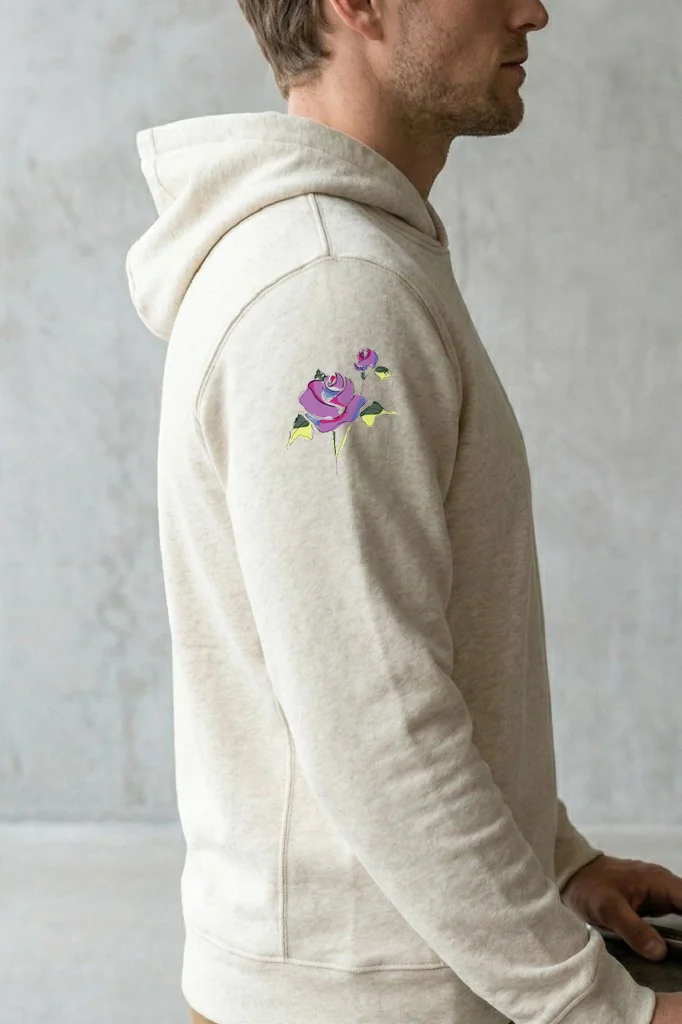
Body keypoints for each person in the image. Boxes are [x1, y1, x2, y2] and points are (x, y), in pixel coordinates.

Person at [125, 0, 682, 1022]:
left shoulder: (352, 260)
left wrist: (554, 860)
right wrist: (601, 1008)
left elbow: (393, 658)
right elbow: (376, 723)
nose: (533, 11)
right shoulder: (331, 294)